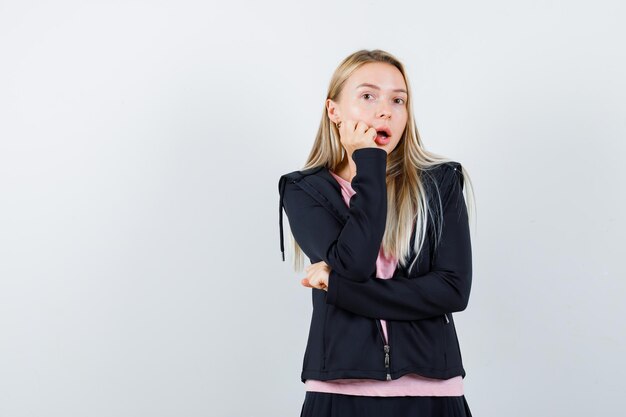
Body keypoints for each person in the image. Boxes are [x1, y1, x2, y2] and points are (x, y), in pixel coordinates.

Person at [277, 49, 476, 417]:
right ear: (333, 110)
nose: (385, 110)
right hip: (339, 390)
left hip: (434, 392)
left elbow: (452, 290)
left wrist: (338, 288)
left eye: (398, 100)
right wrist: (368, 161)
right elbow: (354, 263)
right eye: (368, 96)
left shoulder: (441, 183)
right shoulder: (304, 189)